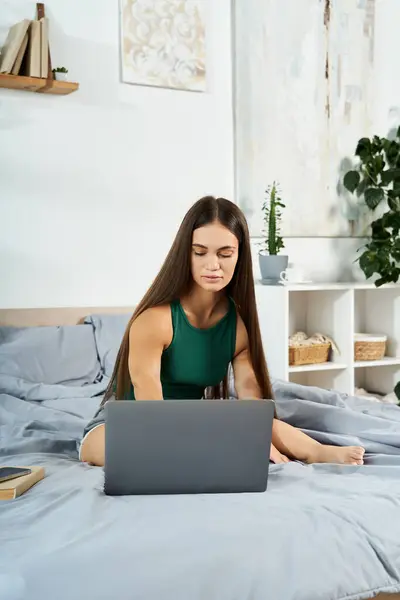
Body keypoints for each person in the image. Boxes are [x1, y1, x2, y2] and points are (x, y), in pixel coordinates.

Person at [80, 196, 365, 467]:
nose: (213, 265)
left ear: (239, 255)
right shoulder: (155, 320)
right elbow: (149, 400)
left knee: (264, 424)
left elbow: (251, 400)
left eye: (225, 253)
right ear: (185, 254)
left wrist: (256, 434)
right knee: (143, 451)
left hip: (191, 420)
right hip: (134, 422)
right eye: (200, 252)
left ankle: (317, 452)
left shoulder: (236, 327)